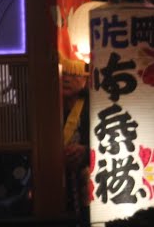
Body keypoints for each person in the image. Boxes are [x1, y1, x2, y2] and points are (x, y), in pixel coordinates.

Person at [60, 58, 90, 226]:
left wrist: (87, 151)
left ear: (85, 79)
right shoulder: (47, 105)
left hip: (86, 183)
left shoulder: (94, 105)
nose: (66, 78)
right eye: (63, 73)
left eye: (72, 73)